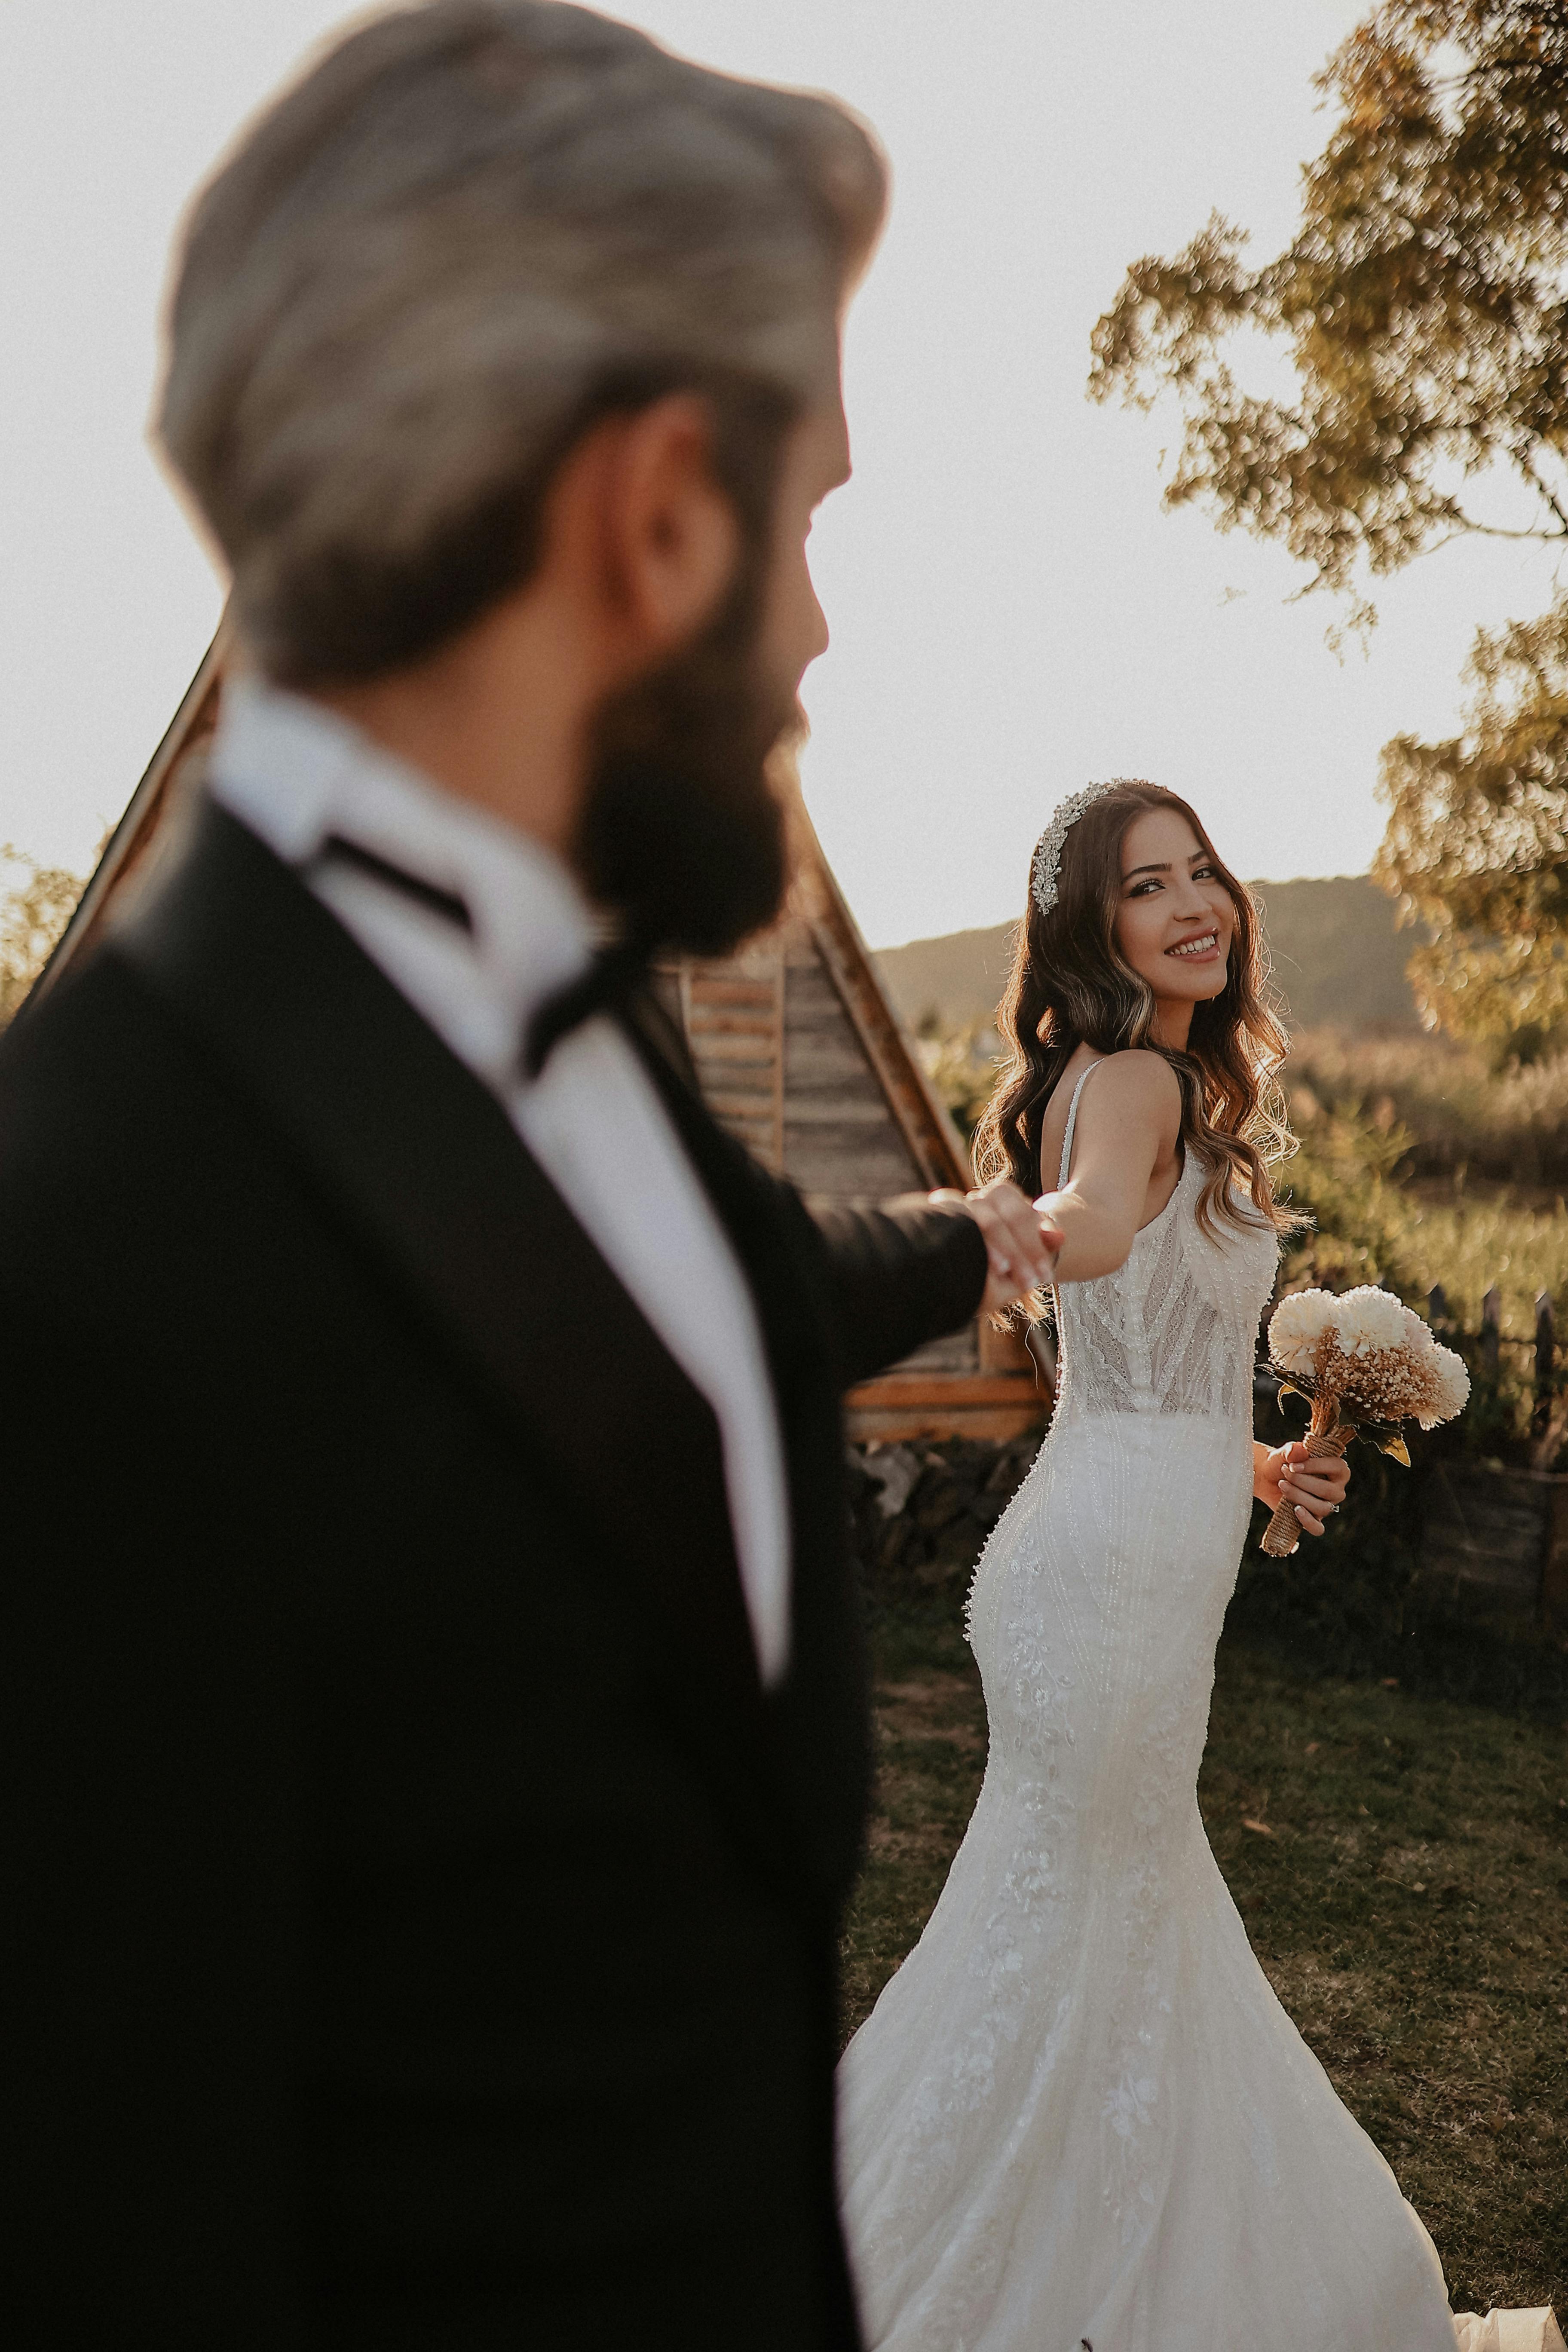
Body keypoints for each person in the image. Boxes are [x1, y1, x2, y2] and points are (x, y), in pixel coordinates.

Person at [0, 8, 1061, 2345]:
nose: (813, 628)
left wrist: (971, 1243)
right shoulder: (84, 1276)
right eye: (806, 526)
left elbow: (716, 1295)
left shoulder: (570, 1030)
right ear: (651, 504)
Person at [836, 779, 1562, 2352]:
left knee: (1104, 1908)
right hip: (1099, 1588)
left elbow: (1140, 1380)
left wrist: (1256, 1463)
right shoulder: (1136, 1081)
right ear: (1093, 931)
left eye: (1203, 873)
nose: (1194, 904)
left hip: (1125, 1550)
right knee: (1085, 1912)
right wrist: (1006, 1229)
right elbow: (1093, 1231)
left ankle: (1099, 2255)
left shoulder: (1149, 1080)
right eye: (1145, 885)